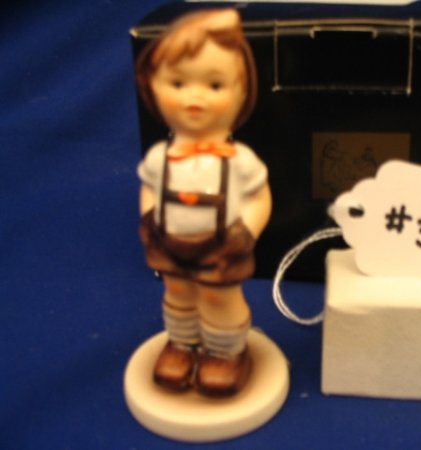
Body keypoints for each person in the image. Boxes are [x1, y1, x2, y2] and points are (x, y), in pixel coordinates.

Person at [135, 9, 271, 397]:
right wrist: (150, 217)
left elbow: (260, 197)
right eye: (178, 83)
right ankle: (182, 344)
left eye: (214, 85)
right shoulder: (159, 158)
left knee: (218, 296)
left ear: (242, 91)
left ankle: (226, 353)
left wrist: (246, 231)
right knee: (177, 291)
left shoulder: (240, 162)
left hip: (220, 246)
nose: (195, 98)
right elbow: (149, 189)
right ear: (152, 86)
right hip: (170, 241)